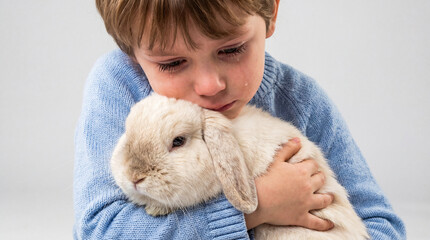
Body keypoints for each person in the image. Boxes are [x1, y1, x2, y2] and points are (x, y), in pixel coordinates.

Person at [74, 0, 406, 239]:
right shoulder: (118, 86)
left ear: (271, 13)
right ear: (130, 50)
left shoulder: (300, 100)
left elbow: (381, 224)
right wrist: (254, 208)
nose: (210, 86)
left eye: (231, 50)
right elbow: (100, 231)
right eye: (173, 63)